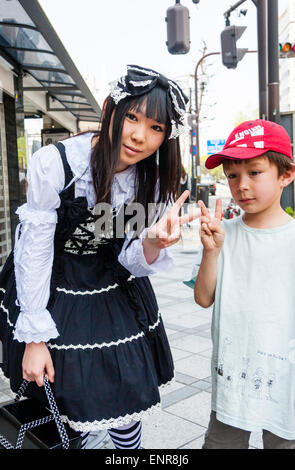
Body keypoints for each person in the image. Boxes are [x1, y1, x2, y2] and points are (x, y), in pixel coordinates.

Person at [0, 65, 199, 449]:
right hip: (51, 288)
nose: (139, 135)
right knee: (69, 396)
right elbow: (35, 248)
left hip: (110, 287)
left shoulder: (152, 181)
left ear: (166, 136)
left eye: (156, 128)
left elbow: (126, 257)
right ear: (111, 108)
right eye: (132, 117)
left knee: (124, 396)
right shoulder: (56, 163)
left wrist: (154, 243)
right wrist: (35, 337)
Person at [190, 119, 295, 449]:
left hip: (286, 382)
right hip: (233, 380)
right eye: (233, 175)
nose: (242, 185)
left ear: (286, 175)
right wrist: (212, 251)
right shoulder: (225, 234)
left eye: (255, 172)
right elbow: (204, 298)